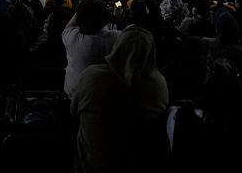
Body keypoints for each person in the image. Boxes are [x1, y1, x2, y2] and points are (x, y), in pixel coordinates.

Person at [71, 27, 169, 173]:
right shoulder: (158, 84)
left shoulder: (91, 76)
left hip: (91, 165)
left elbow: (74, 111)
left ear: (117, 47)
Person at [63, 0, 121, 96]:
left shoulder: (71, 37)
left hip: (74, 98)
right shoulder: (116, 39)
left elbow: (74, 21)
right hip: (105, 99)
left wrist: (86, 6)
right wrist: (117, 16)